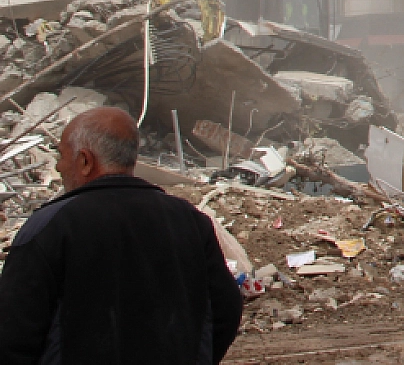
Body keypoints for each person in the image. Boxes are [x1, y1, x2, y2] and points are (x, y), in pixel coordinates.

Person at [0, 106, 243, 364]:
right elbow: (225, 308)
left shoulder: (50, 227)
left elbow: (13, 331)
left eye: (62, 155)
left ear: (85, 161)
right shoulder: (189, 220)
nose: (59, 166)